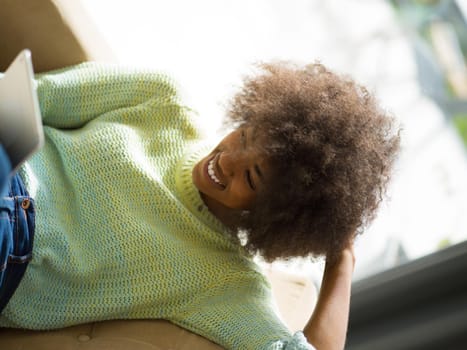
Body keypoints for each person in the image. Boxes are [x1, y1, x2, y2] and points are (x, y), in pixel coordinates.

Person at [0, 61, 400, 350]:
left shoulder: (227, 284)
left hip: (14, 243)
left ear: (277, 215)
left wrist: (341, 257)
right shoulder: (163, 98)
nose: (226, 161)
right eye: (244, 137)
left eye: (252, 177)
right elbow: (33, 96)